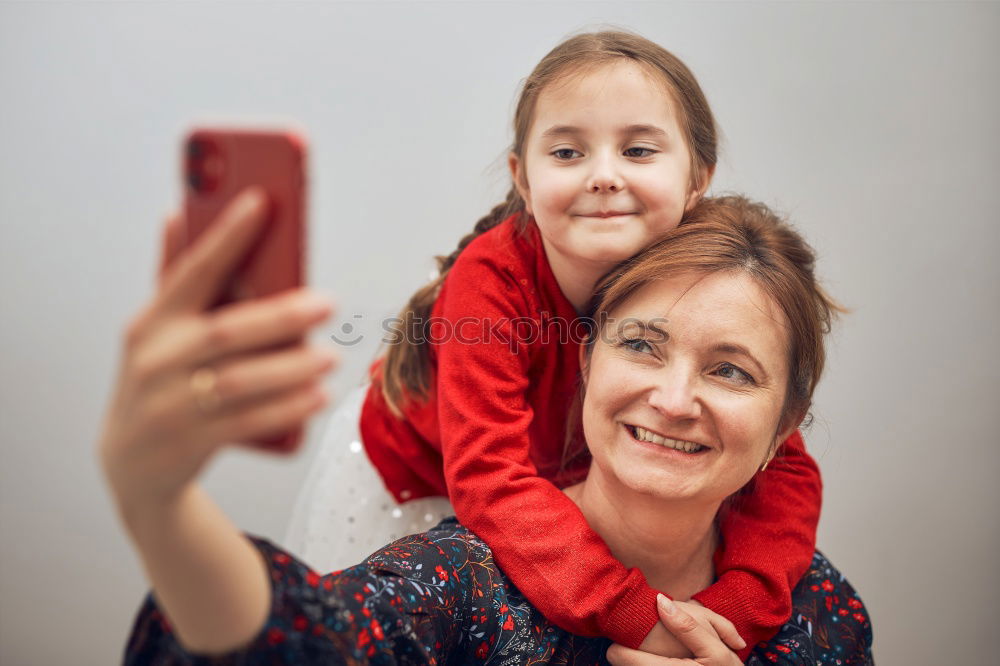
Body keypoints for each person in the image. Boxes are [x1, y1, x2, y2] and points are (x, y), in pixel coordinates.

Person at [110, 195, 872, 664]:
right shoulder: (461, 587)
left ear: (785, 427)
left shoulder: (820, 616)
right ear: (586, 362)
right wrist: (160, 508)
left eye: (730, 370)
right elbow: (308, 643)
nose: (674, 399)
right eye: (641, 344)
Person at [290, 30, 822, 658]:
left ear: (697, 178)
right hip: (425, 474)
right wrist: (636, 615)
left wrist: (725, 615)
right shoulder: (491, 284)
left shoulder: (708, 277)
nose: (603, 176)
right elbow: (489, 477)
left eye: (639, 150)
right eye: (568, 152)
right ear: (522, 176)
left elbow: (782, 462)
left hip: (556, 473)